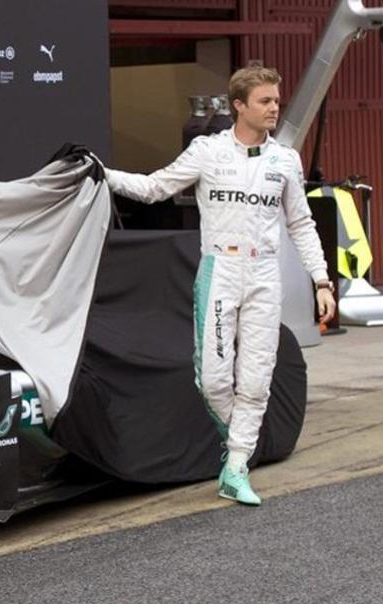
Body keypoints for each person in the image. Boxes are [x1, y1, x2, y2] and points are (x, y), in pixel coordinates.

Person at [105, 65, 336, 505]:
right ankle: (240, 444)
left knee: (256, 380)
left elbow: (301, 224)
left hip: (266, 276)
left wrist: (322, 280)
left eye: (275, 101)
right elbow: (156, 187)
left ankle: (235, 466)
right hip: (220, 271)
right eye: (265, 101)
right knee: (213, 381)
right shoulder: (207, 152)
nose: (274, 109)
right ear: (239, 106)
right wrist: (106, 175)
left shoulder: (284, 160)